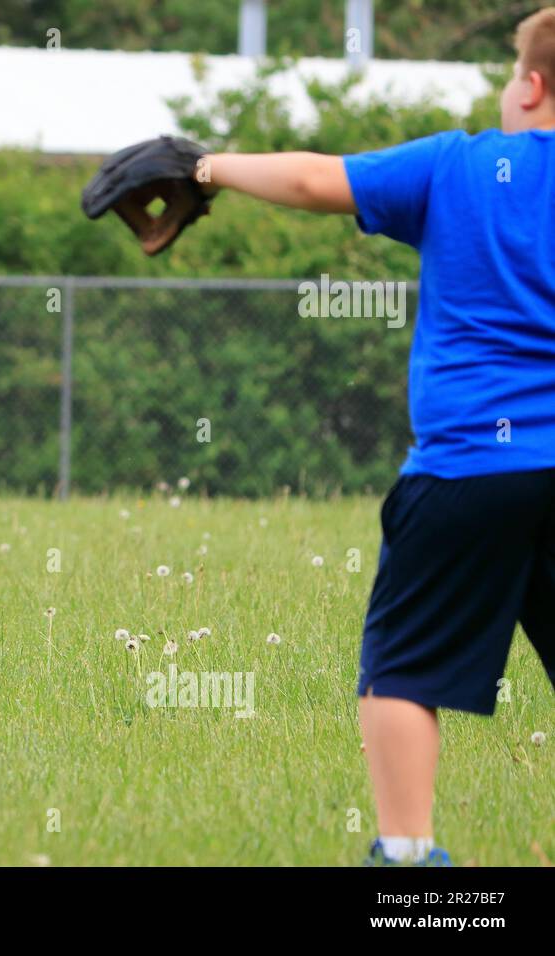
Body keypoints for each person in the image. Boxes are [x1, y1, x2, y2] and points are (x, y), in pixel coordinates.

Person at [199, 9, 555, 864]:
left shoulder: (456, 165)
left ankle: (406, 858)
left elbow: (316, 180)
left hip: (467, 469)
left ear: (533, 86)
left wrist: (205, 165)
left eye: (511, 75)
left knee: (404, 668)